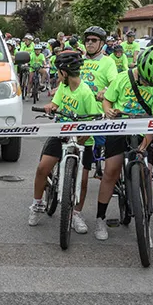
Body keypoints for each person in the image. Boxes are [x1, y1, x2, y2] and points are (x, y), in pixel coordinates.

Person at [99, 46, 153, 241]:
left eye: (151, 82)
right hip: (119, 130)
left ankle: (146, 216)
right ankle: (100, 218)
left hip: (143, 133)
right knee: (111, 171)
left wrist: (145, 145)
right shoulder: (122, 78)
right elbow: (108, 101)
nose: (148, 84)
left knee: (148, 171)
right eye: (145, 80)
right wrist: (109, 111)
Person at [28, 51, 101, 226]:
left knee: (82, 180)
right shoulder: (64, 87)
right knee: (42, 168)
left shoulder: (85, 93)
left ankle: (76, 214)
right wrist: (50, 106)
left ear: (65, 73)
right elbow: (56, 103)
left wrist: (82, 139)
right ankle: (37, 204)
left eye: (59, 72)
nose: (57, 77)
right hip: (61, 133)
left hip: (83, 139)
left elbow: (93, 120)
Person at [70, 26, 119, 233]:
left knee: (107, 163)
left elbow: (115, 84)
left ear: (101, 43)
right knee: (77, 168)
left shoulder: (108, 62)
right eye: (87, 40)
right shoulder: (80, 60)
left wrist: (105, 91)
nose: (89, 43)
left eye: (94, 40)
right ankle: (70, 207)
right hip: (76, 115)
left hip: (98, 117)